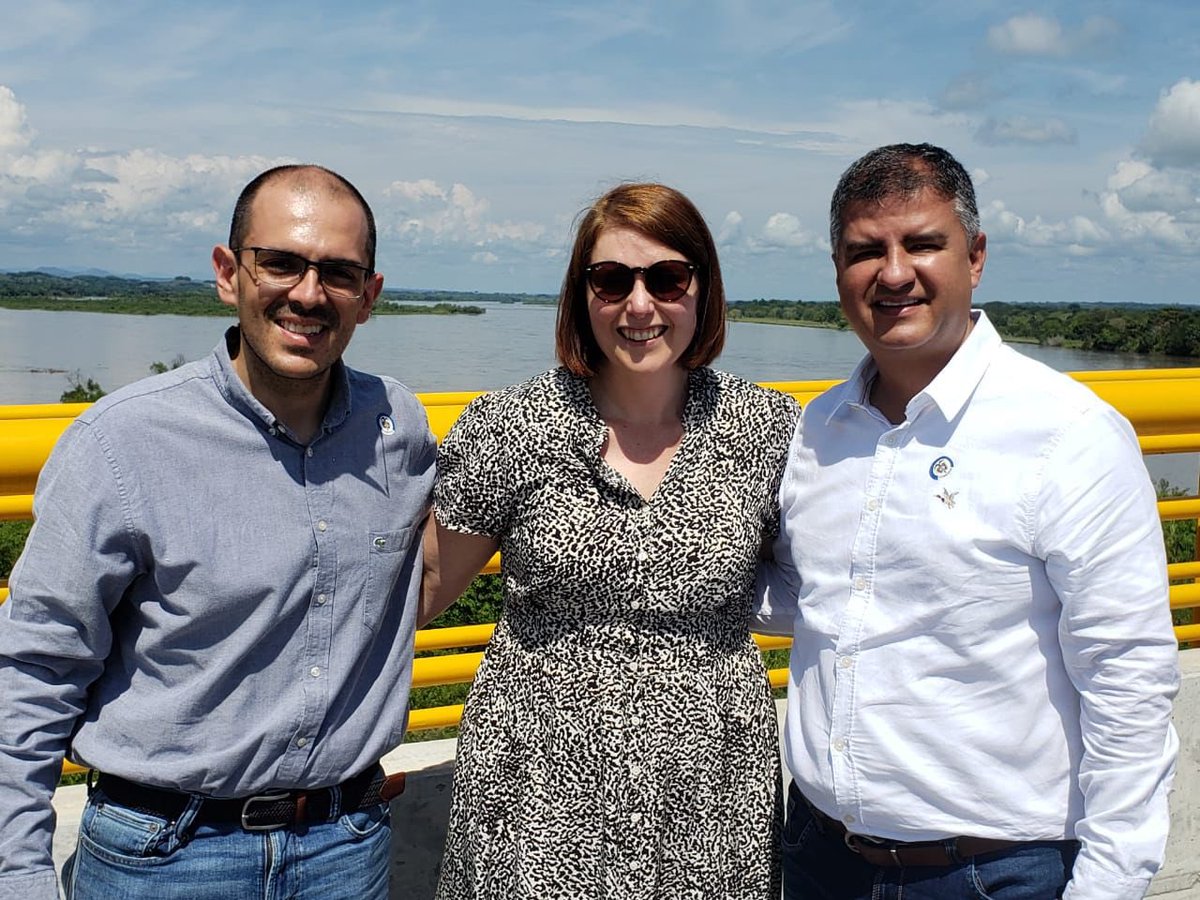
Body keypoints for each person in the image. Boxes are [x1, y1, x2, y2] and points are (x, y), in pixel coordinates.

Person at [756, 143, 1180, 900]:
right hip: (821, 855)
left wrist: (1109, 883)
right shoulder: (815, 431)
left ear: (975, 257)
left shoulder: (1067, 433)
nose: (892, 273)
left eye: (921, 243)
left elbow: (1127, 675)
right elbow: (808, 599)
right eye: (864, 252)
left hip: (993, 873)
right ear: (836, 271)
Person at [0, 164, 436, 900]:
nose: (307, 292)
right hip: (164, 854)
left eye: (337, 272)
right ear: (228, 273)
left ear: (369, 297)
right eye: (282, 263)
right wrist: (18, 875)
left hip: (345, 846)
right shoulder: (124, 442)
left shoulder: (398, 426)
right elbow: (36, 668)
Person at [421, 182, 799, 898]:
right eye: (611, 279)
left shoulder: (767, 432)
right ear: (580, 295)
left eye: (667, 278)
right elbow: (426, 588)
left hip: (710, 791)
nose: (639, 304)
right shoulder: (514, 426)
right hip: (535, 788)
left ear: (702, 291)